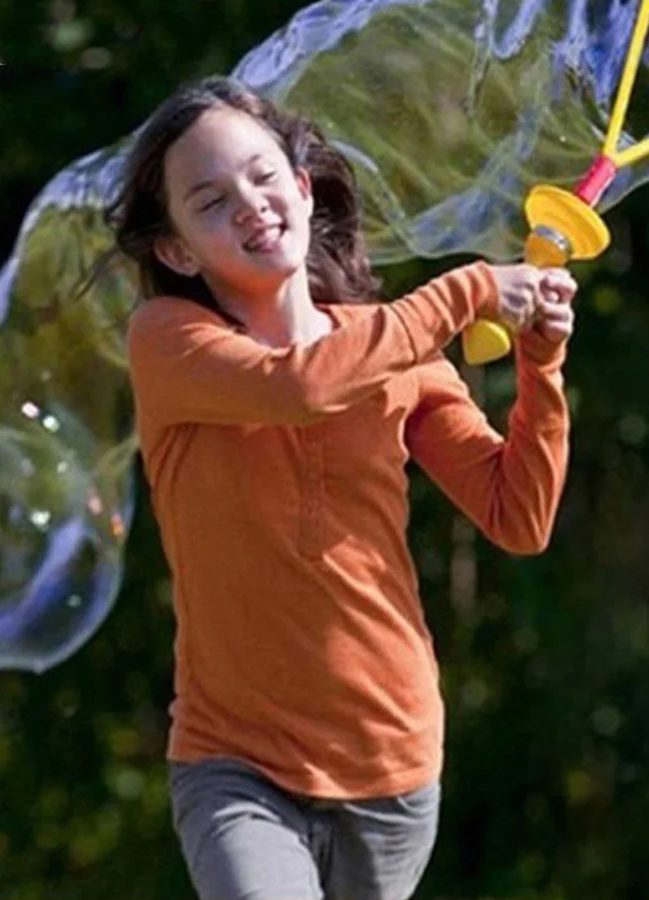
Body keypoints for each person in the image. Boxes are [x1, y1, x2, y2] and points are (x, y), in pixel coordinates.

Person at [110, 76, 577, 900]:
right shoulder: (168, 341)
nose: (250, 205)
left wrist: (541, 368)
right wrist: (468, 289)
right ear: (178, 250)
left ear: (301, 185)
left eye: (263, 177)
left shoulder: (397, 349)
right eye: (211, 201)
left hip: (393, 775)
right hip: (237, 765)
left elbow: (520, 516)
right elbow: (299, 387)